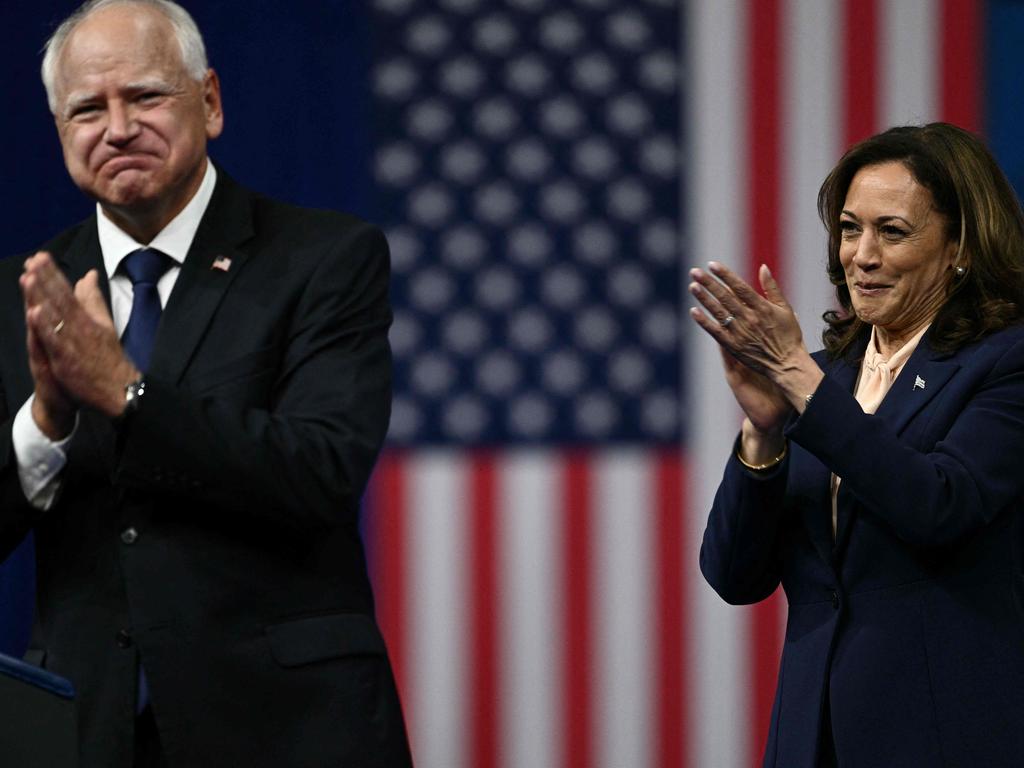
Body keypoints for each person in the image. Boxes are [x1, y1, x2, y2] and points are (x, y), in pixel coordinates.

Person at [0, 1, 412, 766]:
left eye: (147, 96)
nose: (118, 127)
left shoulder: (324, 258)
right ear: (61, 134)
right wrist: (46, 424)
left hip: (287, 728)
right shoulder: (25, 294)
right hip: (91, 730)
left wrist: (126, 392)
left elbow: (320, 471)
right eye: (88, 108)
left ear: (211, 102)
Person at [690, 122, 1024, 767]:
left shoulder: (1004, 364)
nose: (861, 255)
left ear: (959, 244)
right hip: (812, 736)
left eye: (891, 231)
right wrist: (763, 433)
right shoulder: (823, 377)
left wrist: (801, 389)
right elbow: (735, 576)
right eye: (849, 228)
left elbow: (938, 506)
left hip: (944, 735)